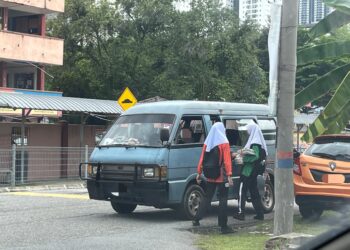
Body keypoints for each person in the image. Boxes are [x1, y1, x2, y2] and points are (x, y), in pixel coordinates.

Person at [193, 122, 234, 234]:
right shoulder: (224, 142)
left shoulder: (208, 142)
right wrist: (229, 175)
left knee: (207, 198)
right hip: (221, 175)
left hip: (210, 175)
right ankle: (223, 226)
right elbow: (227, 160)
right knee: (223, 199)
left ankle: (196, 219)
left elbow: (202, 158)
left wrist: (199, 172)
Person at [233, 123, 267, 221]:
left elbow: (255, 156)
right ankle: (260, 214)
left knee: (241, 191)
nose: (247, 132)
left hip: (248, 171)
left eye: (249, 130)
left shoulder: (255, 143)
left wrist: (244, 159)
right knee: (254, 192)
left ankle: (241, 213)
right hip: (253, 172)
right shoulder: (258, 142)